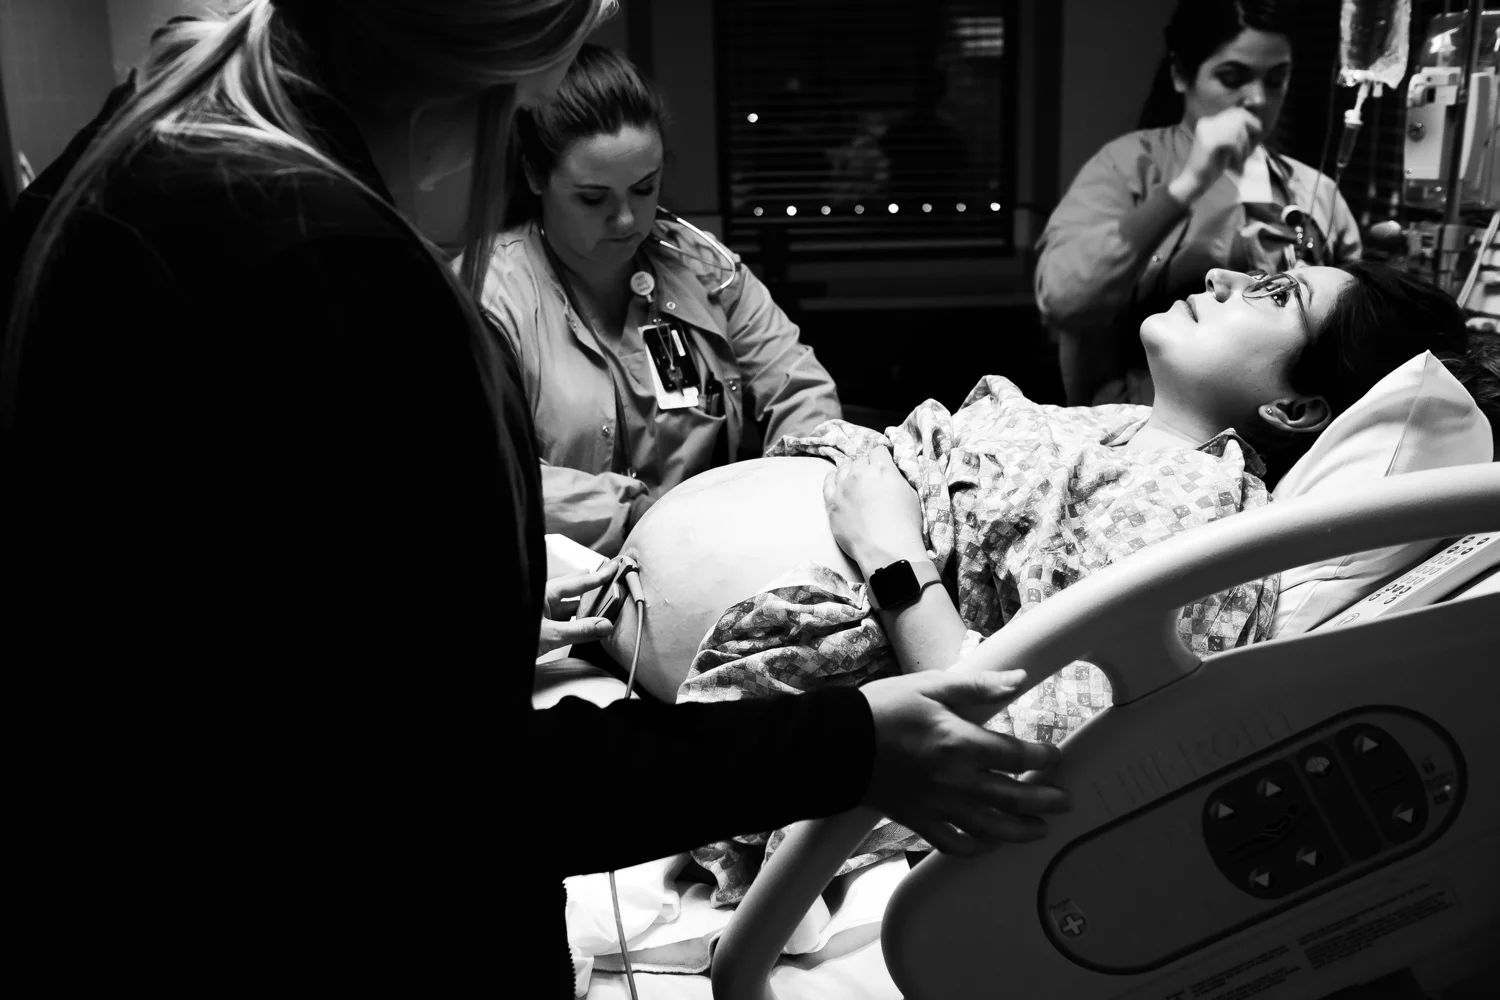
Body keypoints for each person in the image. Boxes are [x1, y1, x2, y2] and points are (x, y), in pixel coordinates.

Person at [1, 3, 1069, 994]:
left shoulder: (154, 149)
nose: (627, 217)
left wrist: (871, 514)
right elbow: (444, 787)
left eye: (646, 189)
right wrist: (849, 734)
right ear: (474, 88)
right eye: (527, 117)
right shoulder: (339, 276)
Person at [592, 262, 1499, 902]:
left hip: (769, 705)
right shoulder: (1111, 428)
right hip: (619, 630)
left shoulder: (1201, 507)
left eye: (1275, 295)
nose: (1225, 278)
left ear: (1294, 409)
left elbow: (1030, 734)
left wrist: (890, 554)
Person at [472, 44, 841, 556]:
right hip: (567, 587)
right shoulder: (487, 296)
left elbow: (799, 389)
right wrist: (639, 515)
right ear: (536, 176)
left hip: (714, 557)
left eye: (645, 189)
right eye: (593, 199)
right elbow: (481, 473)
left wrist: (798, 489)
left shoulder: (704, 269)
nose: (627, 220)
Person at [1035, 0, 1363, 407]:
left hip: (1281, 430)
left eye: (1276, 80)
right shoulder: (1130, 166)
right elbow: (1065, 300)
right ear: (1180, 74)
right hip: (1144, 422)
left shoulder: (1316, 192)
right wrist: (1188, 184)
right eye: (1232, 77)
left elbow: (1351, 330)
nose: (1258, 99)